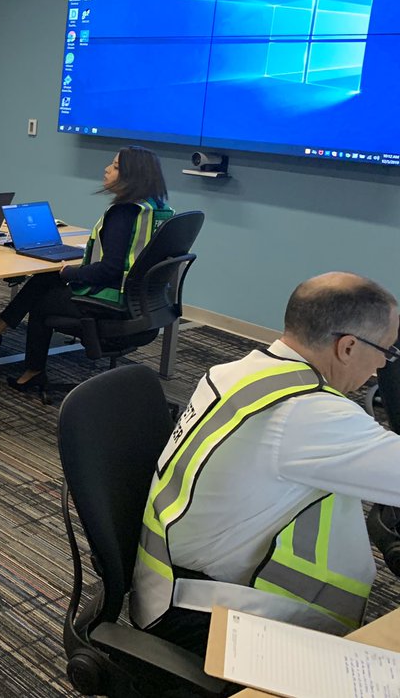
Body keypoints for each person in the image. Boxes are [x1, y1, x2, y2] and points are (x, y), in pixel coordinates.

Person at [130, 272, 400, 652]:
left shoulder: (231, 373)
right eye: (387, 351)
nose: (382, 367)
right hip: (201, 607)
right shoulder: (310, 414)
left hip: (161, 576)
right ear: (348, 347)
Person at [0, 145, 173, 394]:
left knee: (42, 300)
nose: (107, 169)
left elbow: (110, 269)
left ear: (133, 176)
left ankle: (32, 371)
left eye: (115, 166)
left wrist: (71, 273)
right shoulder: (158, 210)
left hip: (114, 304)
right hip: (144, 304)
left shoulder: (124, 213)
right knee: (47, 279)